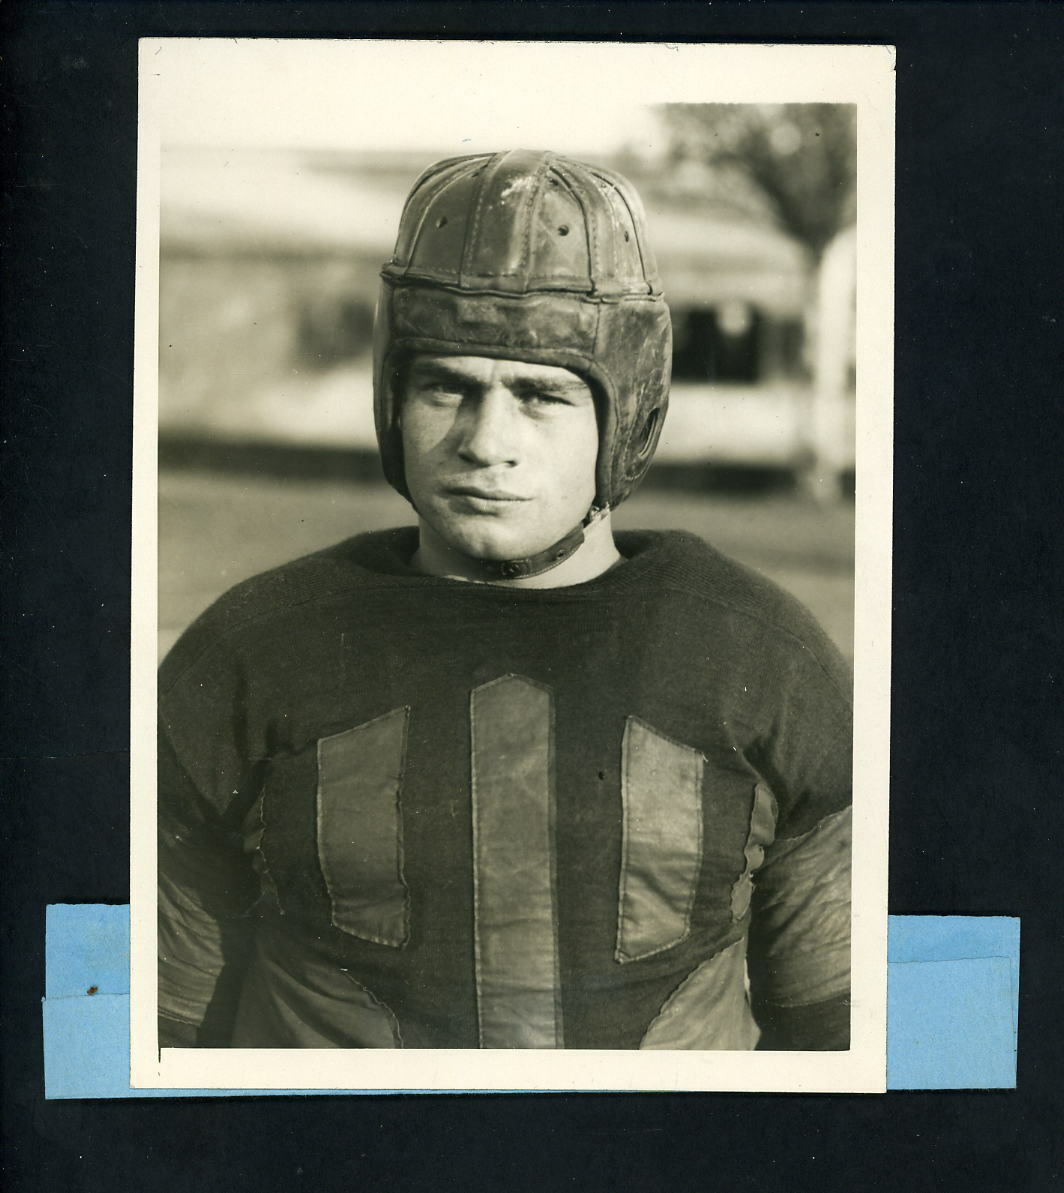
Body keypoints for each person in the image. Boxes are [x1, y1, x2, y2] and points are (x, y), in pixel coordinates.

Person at [158, 149, 852, 1050]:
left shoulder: (763, 662)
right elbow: (145, 1039)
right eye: (446, 386)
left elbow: (852, 1051)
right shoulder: (248, 653)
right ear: (391, 398)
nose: (488, 441)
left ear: (626, 410)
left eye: (542, 395)